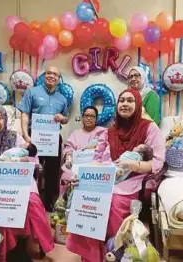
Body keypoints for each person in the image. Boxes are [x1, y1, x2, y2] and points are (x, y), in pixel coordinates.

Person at [66, 89, 166, 262]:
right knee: (84, 197)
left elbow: (157, 162)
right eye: (122, 100)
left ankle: (114, 254)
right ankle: (90, 257)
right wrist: (82, 176)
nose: (125, 104)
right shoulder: (109, 132)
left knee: (110, 202)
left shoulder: (150, 129)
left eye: (130, 101)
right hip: (104, 178)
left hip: (132, 180)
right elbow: (96, 160)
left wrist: (134, 164)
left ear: (138, 105)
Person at [0, 104, 54, 262]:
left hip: (22, 183)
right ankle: (10, 251)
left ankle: (21, 246)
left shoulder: (15, 137)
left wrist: (17, 160)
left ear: (5, 120)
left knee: (31, 203)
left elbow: (31, 159)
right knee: (1, 208)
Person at [18, 65, 69, 212]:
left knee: (52, 172)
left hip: (53, 139)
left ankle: (49, 204)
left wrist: (62, 118)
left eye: (55, 74)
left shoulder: (62, 99)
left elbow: (65, 119)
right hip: (34, 137)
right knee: (31, 169)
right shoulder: (32, 92)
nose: (51, 76)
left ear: (59, 79)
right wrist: (26, 136)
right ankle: (28, 202)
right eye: (48, 73)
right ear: (44, 75)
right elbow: (25, 114)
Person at [60, 106, 106, 193]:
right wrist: (69, 155)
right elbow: (68, 147)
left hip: (95, 167)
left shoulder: (103, 132)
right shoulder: (75, 133)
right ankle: (65, 204)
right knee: (65, 176)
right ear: (82, 118)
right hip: (76, 166)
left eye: (92, 116)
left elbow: (104, 149)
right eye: (86, 115)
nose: (89, 118)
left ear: (96, 118)